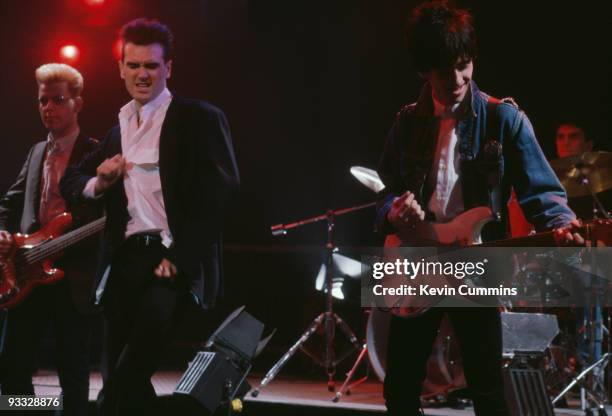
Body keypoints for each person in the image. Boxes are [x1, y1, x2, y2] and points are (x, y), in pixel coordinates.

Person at [375, 2, 581, 415]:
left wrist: (562, 223)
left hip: (478, 261)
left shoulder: (503, 119)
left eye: (462, 65)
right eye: (442, 69)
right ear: (422, 70)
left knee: (488, 388)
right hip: (416, 259)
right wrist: (392, 212)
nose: (455, 79)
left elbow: (542, 190)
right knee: (399, 389)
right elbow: (381, 195)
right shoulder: (407, 123)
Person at [60, 18, 239, 416]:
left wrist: (178, 262)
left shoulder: (197, 118)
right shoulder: (117, 129)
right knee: (122, 377)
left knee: (127, 373)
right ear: (121, 69)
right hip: (123, 261)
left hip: (169, 260)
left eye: (152, 66)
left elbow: (220, 194)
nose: (143, 74)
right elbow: (73, 181)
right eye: (134, 65)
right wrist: (100, 182)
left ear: (168, 68)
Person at [0, 63, 100, 415]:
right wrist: (2, 232)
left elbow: (102, 219)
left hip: (71, 278)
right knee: (10, 367)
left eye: (58, 100)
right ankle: (30, 413)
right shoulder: (35, 151)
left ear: (78, 104)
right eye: (43, 101)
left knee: (72, 372)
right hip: (27, 273)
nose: (48, 108)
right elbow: (11, 202)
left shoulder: (95, 153)